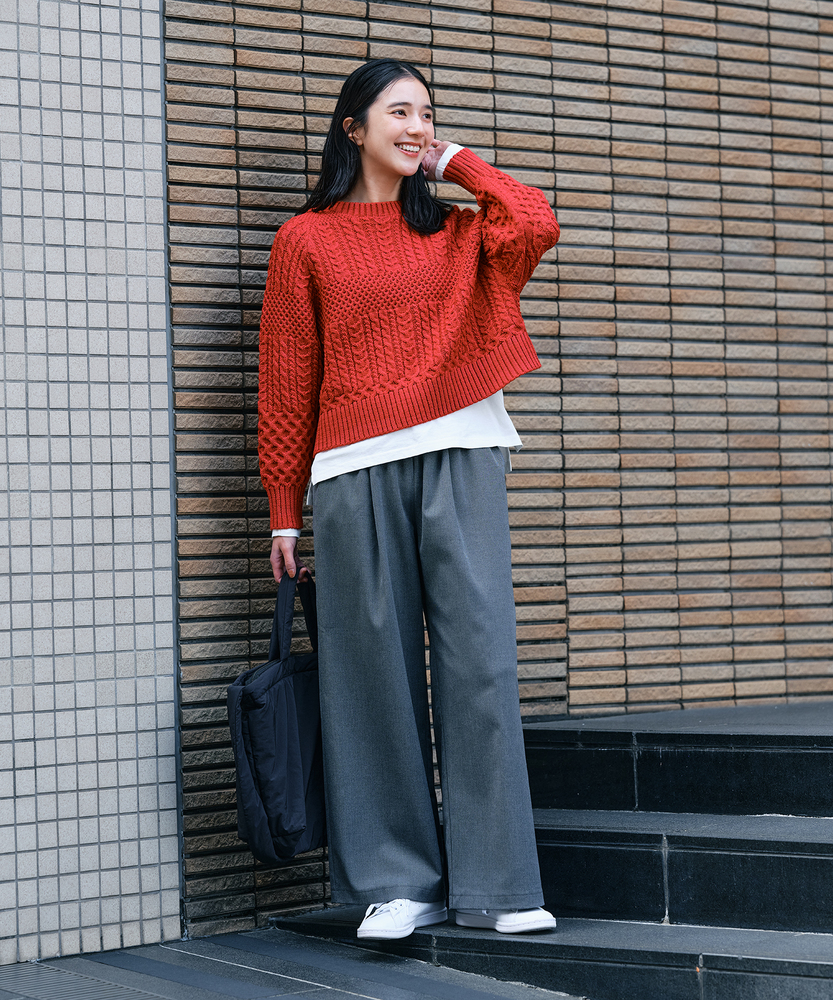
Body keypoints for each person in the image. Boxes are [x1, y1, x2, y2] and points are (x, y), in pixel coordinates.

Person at [258, 59, 560, 942]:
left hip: (461, 453)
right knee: (370, 676)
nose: (417, 124)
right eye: (398, 111)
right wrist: (283, 508)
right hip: (352, 469)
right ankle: (398, 883)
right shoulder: (305, 241)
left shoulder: (461, 232)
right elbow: (287, 380)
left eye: (427, 112)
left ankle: (499, 885)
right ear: (352, 127)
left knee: (480, 665)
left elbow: (535, 220)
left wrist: (454, 161)